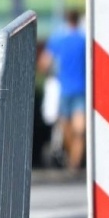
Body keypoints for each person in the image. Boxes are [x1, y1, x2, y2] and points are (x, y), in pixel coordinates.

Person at [38, 9, 87, 171]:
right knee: (80, 130)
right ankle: (74, 163)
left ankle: (72, 162)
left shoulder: (58, 39)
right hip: (82, 89)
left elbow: (44, 63)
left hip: (64, 89)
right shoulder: (84, 39)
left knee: (66, 128)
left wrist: (49, 74)